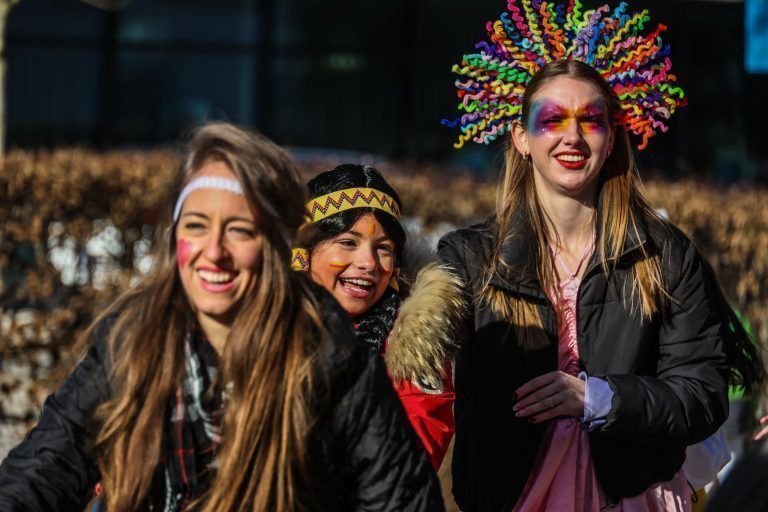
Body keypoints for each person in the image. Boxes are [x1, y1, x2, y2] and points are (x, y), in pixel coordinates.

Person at [0, 123, 445, 511]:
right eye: (195, 226)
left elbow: (398, 493)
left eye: (238, 230)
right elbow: (47, 468)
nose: (214, 252)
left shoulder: (334, 355)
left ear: (274, 248)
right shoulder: (132, 338)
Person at [438, 1, 748, 510]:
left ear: (612, 136)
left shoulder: (664, 255)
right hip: (513, 498)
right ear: (521, 137)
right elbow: (417, 374)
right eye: (552, 119)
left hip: (635, 496)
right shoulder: (471, 258)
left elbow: (701, 395)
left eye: (592, 120)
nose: (573, 137)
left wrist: (598, 397)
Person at [291, 164, 463, 470]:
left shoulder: (412, 346)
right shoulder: (254, 325)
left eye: (383, 248)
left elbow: (409, 458)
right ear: (303, 252)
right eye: (348, 243)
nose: (368, 263)